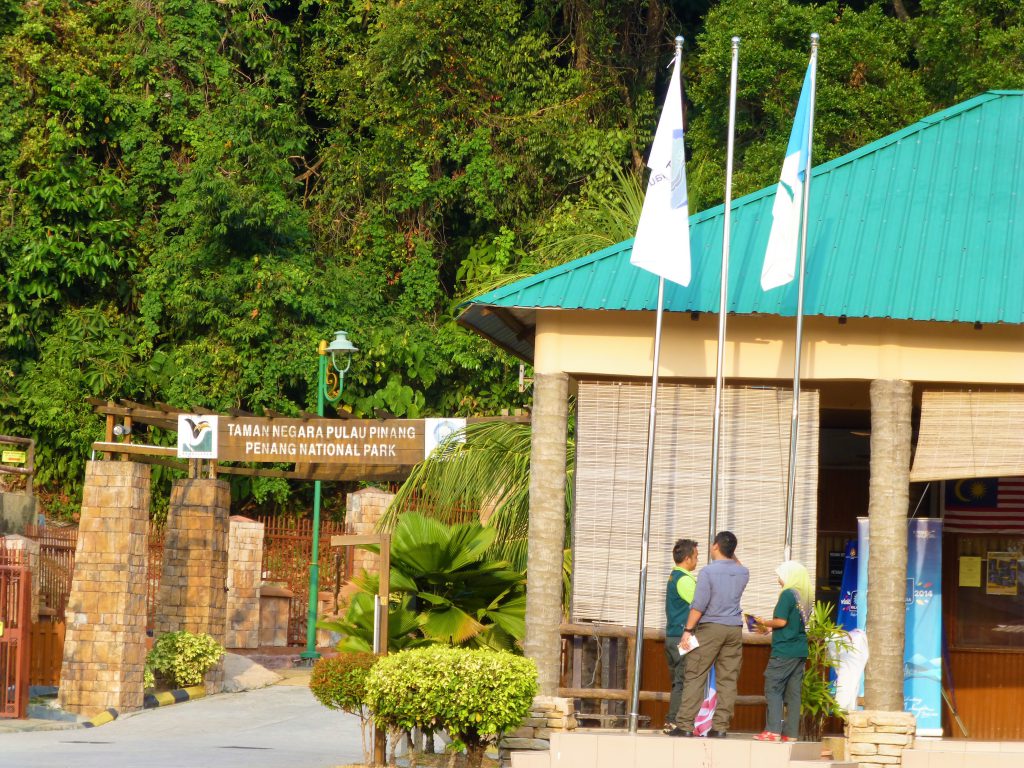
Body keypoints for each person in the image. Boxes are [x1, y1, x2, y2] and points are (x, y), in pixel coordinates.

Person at [670, 530, 749, 738]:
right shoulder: (743, 573)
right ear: (732, 551)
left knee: (695, 673)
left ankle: (685, 724)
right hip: (734, 629)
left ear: (715, 546)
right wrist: (730, 551)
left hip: (710, 627)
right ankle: (720, 727)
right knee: (728, 679)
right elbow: (737, 564)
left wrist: (688, 630)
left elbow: (698, 606)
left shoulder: (708, 572)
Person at [753, 560, 812, 742]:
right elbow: (793, 623)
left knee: (773, 686)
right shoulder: (804, 596)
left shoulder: (787, 594)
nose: (779, 579)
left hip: (784, 649)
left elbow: (781, 621)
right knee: (794, 693)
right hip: (800, 649)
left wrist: (764, 622)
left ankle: (773, 730)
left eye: (780, 575)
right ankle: (791, 733)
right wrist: (770, 628)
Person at [663, 538, 699, 733]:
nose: (697, 560)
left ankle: (673, 719)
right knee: (683, 679)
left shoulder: (673, 576)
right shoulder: (685, 580)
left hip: (671, 635)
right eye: (695, 556)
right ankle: (674, 720)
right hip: (682, 636)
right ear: (687, 558)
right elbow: (699, 605)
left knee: (678, 679)